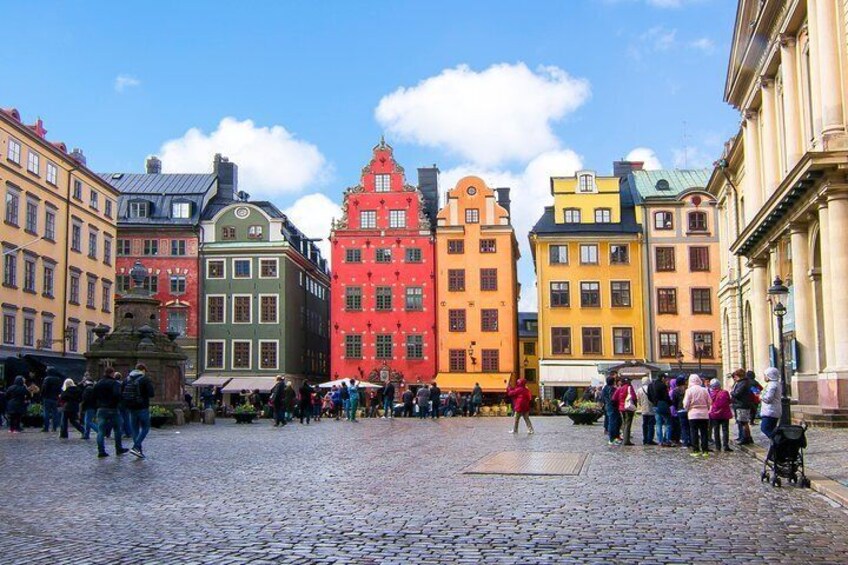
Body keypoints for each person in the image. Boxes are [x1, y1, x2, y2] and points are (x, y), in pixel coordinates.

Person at [93, 368, 129, 458]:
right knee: (117, 429)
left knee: (101, 431)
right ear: (112, 373)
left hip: (101, 408)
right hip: (113, 409)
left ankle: (101, 451)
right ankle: (118, 448)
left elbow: (93, 395)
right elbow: (117, 395)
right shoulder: (114, 383)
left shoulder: (98, 383)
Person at [124, 366, 155, 459]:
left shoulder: (127, 379)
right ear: (143, 370)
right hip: (142, 407)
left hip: (131, 407)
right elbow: (151, 394)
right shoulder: (145, 379)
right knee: (145, 427)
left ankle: (138, 451)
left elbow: (122, 392)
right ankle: (136, 446)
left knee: (135, 429)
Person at [683, 374, 712, 457]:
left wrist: (687, 409)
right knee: (704, 432)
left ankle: (696, 450)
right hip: (704, 414)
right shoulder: (704, 390)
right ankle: (705, 451)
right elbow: (709, 401)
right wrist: (707, 409)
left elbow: (686, 403)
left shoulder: (689, 390)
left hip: (693, 414)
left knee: (694, 432)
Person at [730, 369, 754, 445]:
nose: (734, 378)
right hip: (740, 404)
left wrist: (732, 392)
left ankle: (745, 438)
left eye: (735, 376)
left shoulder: (743, 383)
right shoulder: (742, 382)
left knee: (743, 422)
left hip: (742, 405)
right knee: (741, 422)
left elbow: (737, 393)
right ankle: (743, 437)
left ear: (739, 376)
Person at [708, 378, 733, 452]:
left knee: (716, 430)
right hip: (725, 414)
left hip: (715, 414)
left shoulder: (711, 394)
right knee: (725, 430)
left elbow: (709, 403)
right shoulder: (725, 392)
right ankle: (726, 446)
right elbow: (729, 401)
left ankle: (718, 446)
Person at [649, 373, 673, 447]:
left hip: (655, 405)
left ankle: (660, 441)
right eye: (665, 378)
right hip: (663, 404)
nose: (666, 380)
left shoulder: (651, 385)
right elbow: (666, 397)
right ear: (662, 378)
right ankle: (667, 440)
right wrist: (670, 403)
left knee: (658, 424)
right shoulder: (662, 385)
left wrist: (654, 402)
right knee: (668, 423)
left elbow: (649, 396)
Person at [612, 377, 637, 446]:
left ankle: (624, 439)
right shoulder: (629, 387)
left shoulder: (619, 388)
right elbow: (634, 397)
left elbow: (614, 398)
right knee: (628, 424)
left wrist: (618, 405)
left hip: (621, 408)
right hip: (628, 408)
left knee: (624, 423)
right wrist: (635, 405)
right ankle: (626, 440)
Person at [759, 367, 782, 439]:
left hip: (770, 411)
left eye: (765, 375)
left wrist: (760, 396)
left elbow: (768, 398)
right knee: (771, 428)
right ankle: (774, 443)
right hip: (772, 410)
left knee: (765, 428)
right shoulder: (775, 384)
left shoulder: (772, 385)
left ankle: (777, 441)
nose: (764, 377)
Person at [40, 368, 63, 433]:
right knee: (55, 413)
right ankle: (54, 427)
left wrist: (42, 395)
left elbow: (44, 388)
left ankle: (46, 427)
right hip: (55, 398)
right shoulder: (58, 379)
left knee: (46, 412)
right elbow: (60, 389)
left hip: (47, 397)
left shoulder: (47, 379)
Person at [637, 376, 657, 446]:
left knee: (644, 425)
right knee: (651, 425)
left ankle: (645, 439)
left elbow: (639, 400)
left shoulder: (639, 390)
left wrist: (641, 405)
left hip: (644, 410)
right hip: (651, 409)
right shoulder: (652, 388)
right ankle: (650, 439)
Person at [601, 376, 620, 445]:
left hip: (608, 406)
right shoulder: (612, 389)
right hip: (613, 407)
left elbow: (602, 398)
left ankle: (614, 438)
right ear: (613, 382)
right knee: (613, 423)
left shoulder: (604, 388)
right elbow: (614, 399)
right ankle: (612, 439)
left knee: (611, 422)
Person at [672, 376, 690, 448]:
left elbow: (674, 401)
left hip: (680, 410)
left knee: (683, 427)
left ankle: (685, 442)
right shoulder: (687, 389)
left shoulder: (675, 391)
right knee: (689, 426)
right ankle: (691, 441)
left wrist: (676, 408)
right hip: (688, 409)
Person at [80, 373, 98, 440]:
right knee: (87, 421)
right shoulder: (93, 388)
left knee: (88, 421)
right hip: (92, 406)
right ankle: (86, 434)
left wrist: (83, 407)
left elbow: (85, 399)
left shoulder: (87, 389)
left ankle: (99, 430)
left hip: (89, 407)